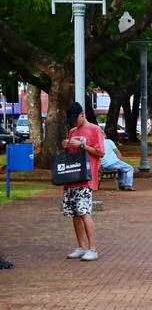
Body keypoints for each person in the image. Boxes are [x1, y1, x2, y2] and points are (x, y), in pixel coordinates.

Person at [62, 102, 105, 261]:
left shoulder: (94, 130)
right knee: (74, 213)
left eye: (76, 118)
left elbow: (100, 152)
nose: (74, 122)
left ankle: (93, 248)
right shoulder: (72, 131)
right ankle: (81, 246)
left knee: (84, 212)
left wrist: (82, 145)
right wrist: (67, 145)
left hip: (86, 178)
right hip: (72, 177)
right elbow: (71, 152)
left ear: (82, 115)